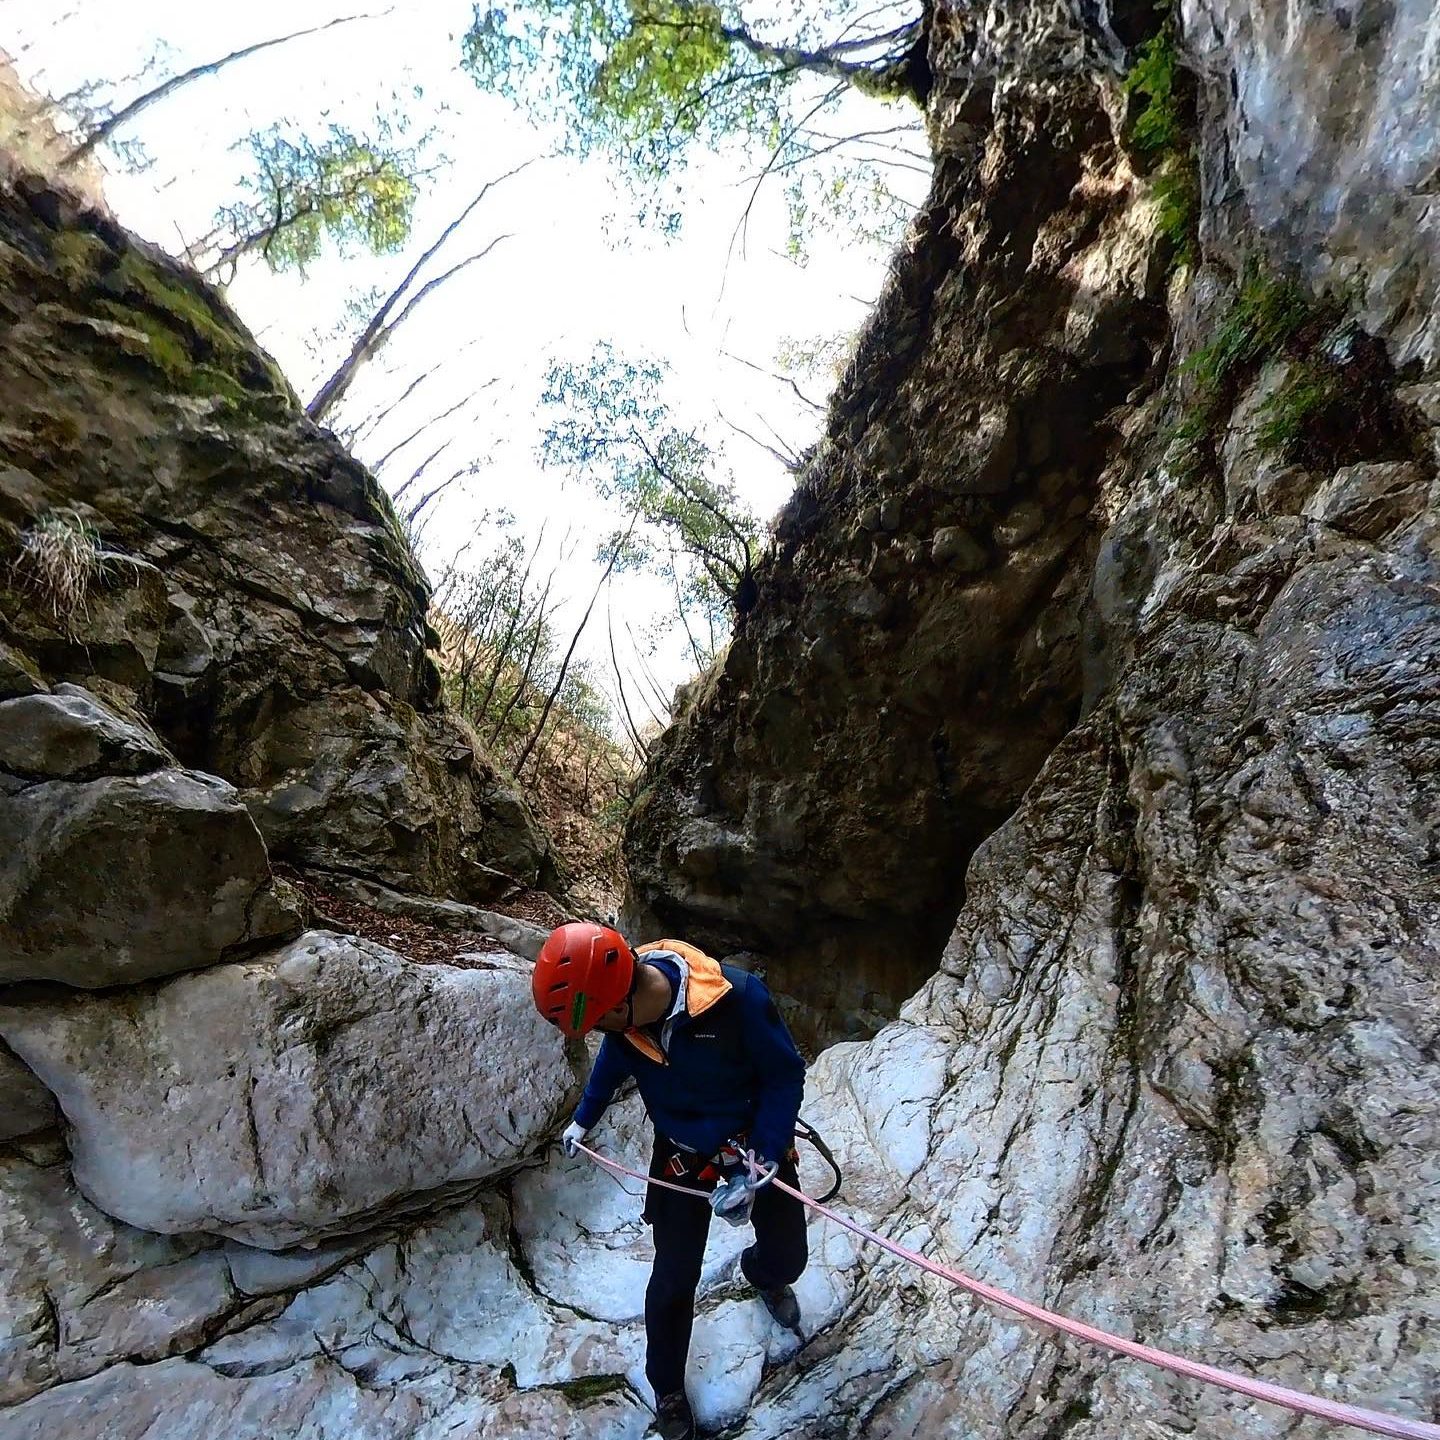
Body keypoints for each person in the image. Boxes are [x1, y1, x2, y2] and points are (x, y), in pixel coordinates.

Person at [532, 921, 809, 1440]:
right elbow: (613, 1063)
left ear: (619, 1001)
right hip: (681, 1156)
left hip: (753, 1147)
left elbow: (783, 1073)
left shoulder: (738, 998)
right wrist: (583, 1119)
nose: (600, 1033)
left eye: (599, 1022)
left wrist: (766, 1154)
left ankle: (764, 1273)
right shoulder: (624, 1026)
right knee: (672, 1280)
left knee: (789, 1254)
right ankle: (667, 1388)